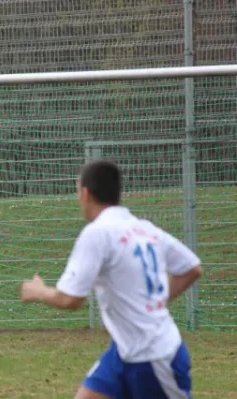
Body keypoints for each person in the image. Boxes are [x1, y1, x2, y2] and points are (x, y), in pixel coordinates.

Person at [20, 159, 202, 399]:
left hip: (155, 355)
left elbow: (71, 299)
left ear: (85, 193)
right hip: (124, 351)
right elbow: (191, 268)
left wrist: (37, 291)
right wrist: (153, 301)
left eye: (77, 191)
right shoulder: (144, 228)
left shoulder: (98, 233)